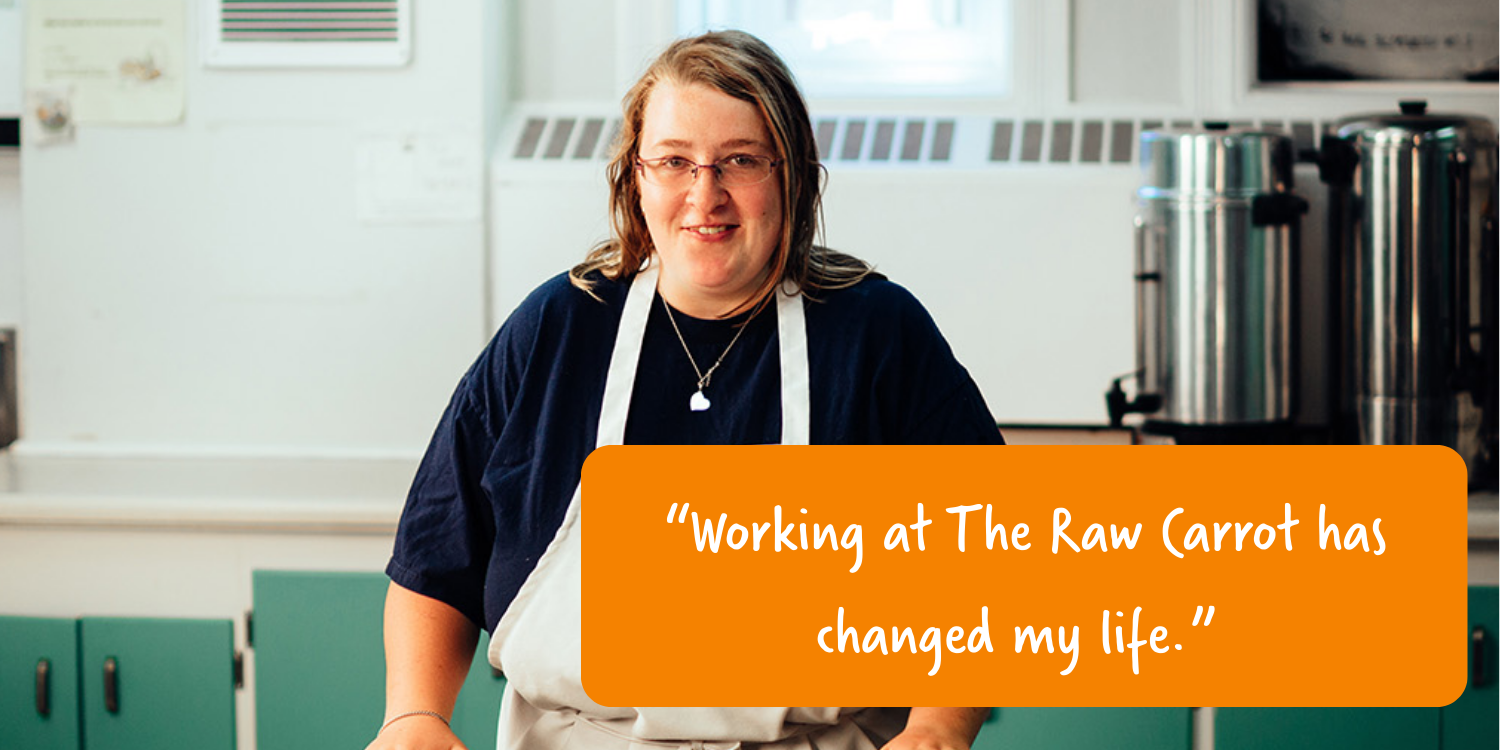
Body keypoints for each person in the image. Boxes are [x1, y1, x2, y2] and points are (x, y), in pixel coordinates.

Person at [370, 30, 1004, 750]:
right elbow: (437, 555)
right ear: (634, 179)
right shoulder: (557, 331)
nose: (707, 195)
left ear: (791, 175)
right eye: (674, 161)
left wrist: (939, 725)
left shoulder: (877, 336)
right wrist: (414, 716)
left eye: (740, 160)